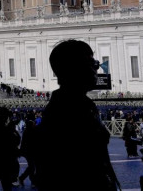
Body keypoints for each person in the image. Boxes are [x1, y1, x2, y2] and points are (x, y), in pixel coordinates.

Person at [30, 40, 119, 191]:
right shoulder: (67, 111)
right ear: (75, 68)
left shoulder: (81, 105)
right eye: (92, 64)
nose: (96, 69)